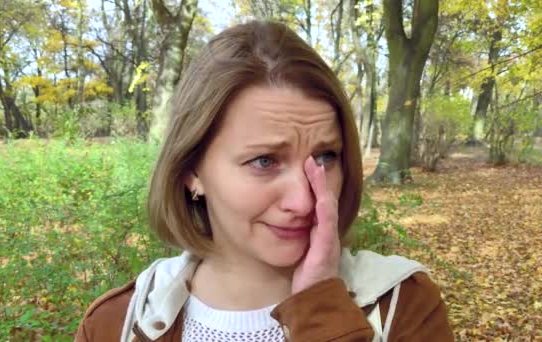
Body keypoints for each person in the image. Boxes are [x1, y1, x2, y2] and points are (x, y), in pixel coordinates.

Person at [76, 20, 454, 342]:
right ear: (192, 170)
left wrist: (321, 309)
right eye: (264, 161)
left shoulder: (402, 307)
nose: (304, 202)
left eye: (325, 157)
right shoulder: (117, 325)